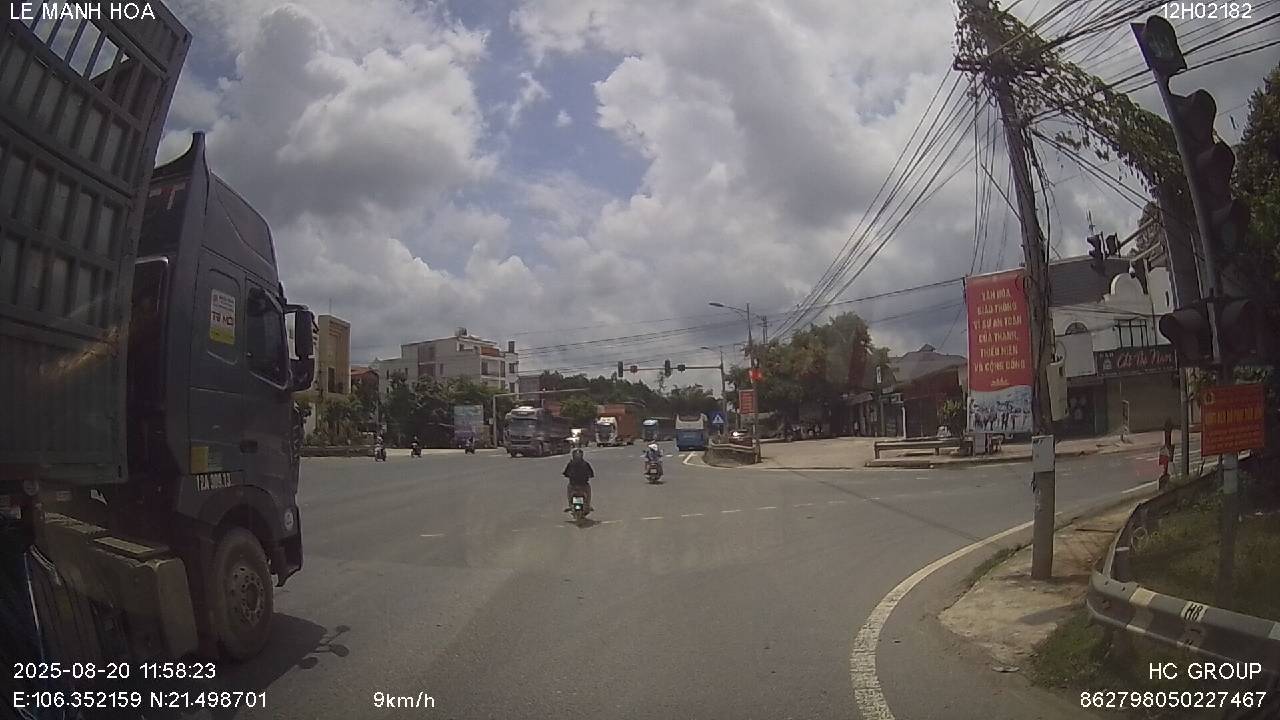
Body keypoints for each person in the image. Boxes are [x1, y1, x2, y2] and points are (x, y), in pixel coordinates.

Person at [563, 448, 594, 512]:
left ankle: (571, 505)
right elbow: (591, 474)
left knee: (569, 490)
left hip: (574, 485)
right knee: (588, 492)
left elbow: (565, 473)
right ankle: (587, 505)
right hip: (583, 485)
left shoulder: (570, 464)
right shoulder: (585, 464)